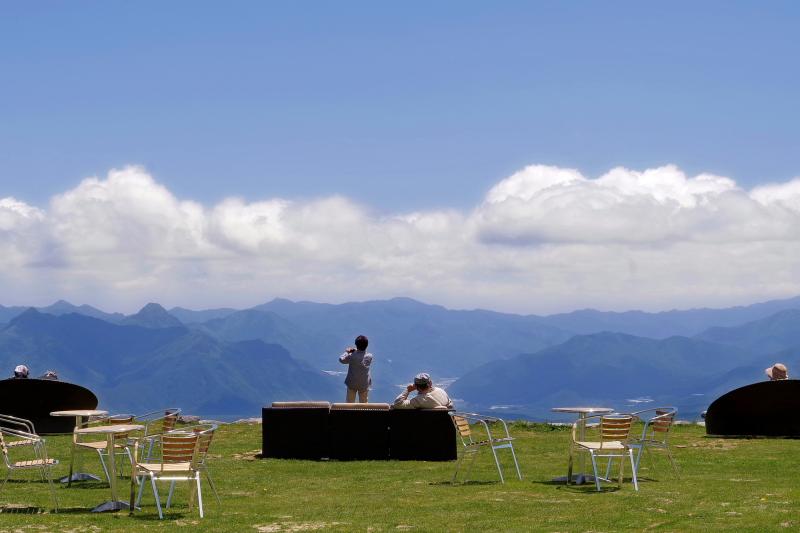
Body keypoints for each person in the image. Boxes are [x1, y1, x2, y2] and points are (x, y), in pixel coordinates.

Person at [338, 335, 373, 403]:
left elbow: (341, 360)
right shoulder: (369, 356)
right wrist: (356, 350)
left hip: (352, 383)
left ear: (356, 345)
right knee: (364, 403)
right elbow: (362, 355)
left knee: (349, 402)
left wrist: (347, 352)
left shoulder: (352, 356)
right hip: (364, 384)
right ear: (367, 345)